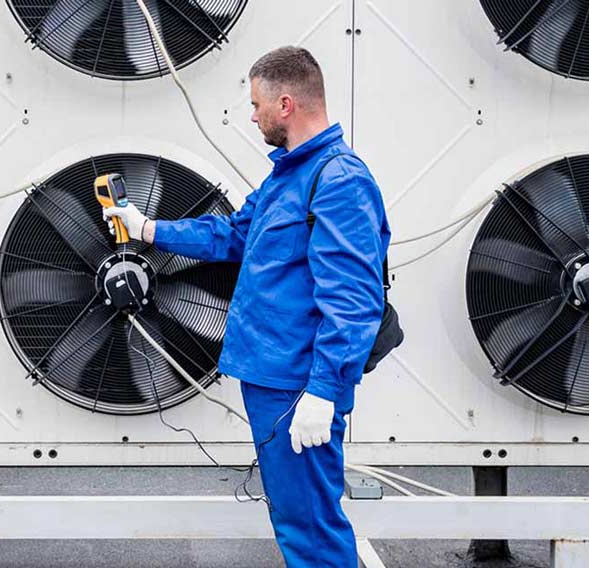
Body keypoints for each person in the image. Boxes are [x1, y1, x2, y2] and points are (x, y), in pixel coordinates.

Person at [102, 46, 390, 567]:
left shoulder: (339, 180)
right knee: (296, 517)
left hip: (297, 384)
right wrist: (146, 228)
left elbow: (353, 299)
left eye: (256, 103)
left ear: (285, 104)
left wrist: (324, 391)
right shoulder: (287, 177)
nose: (251, 114)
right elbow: (232, 234)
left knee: (311, 526)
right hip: (273, 379)